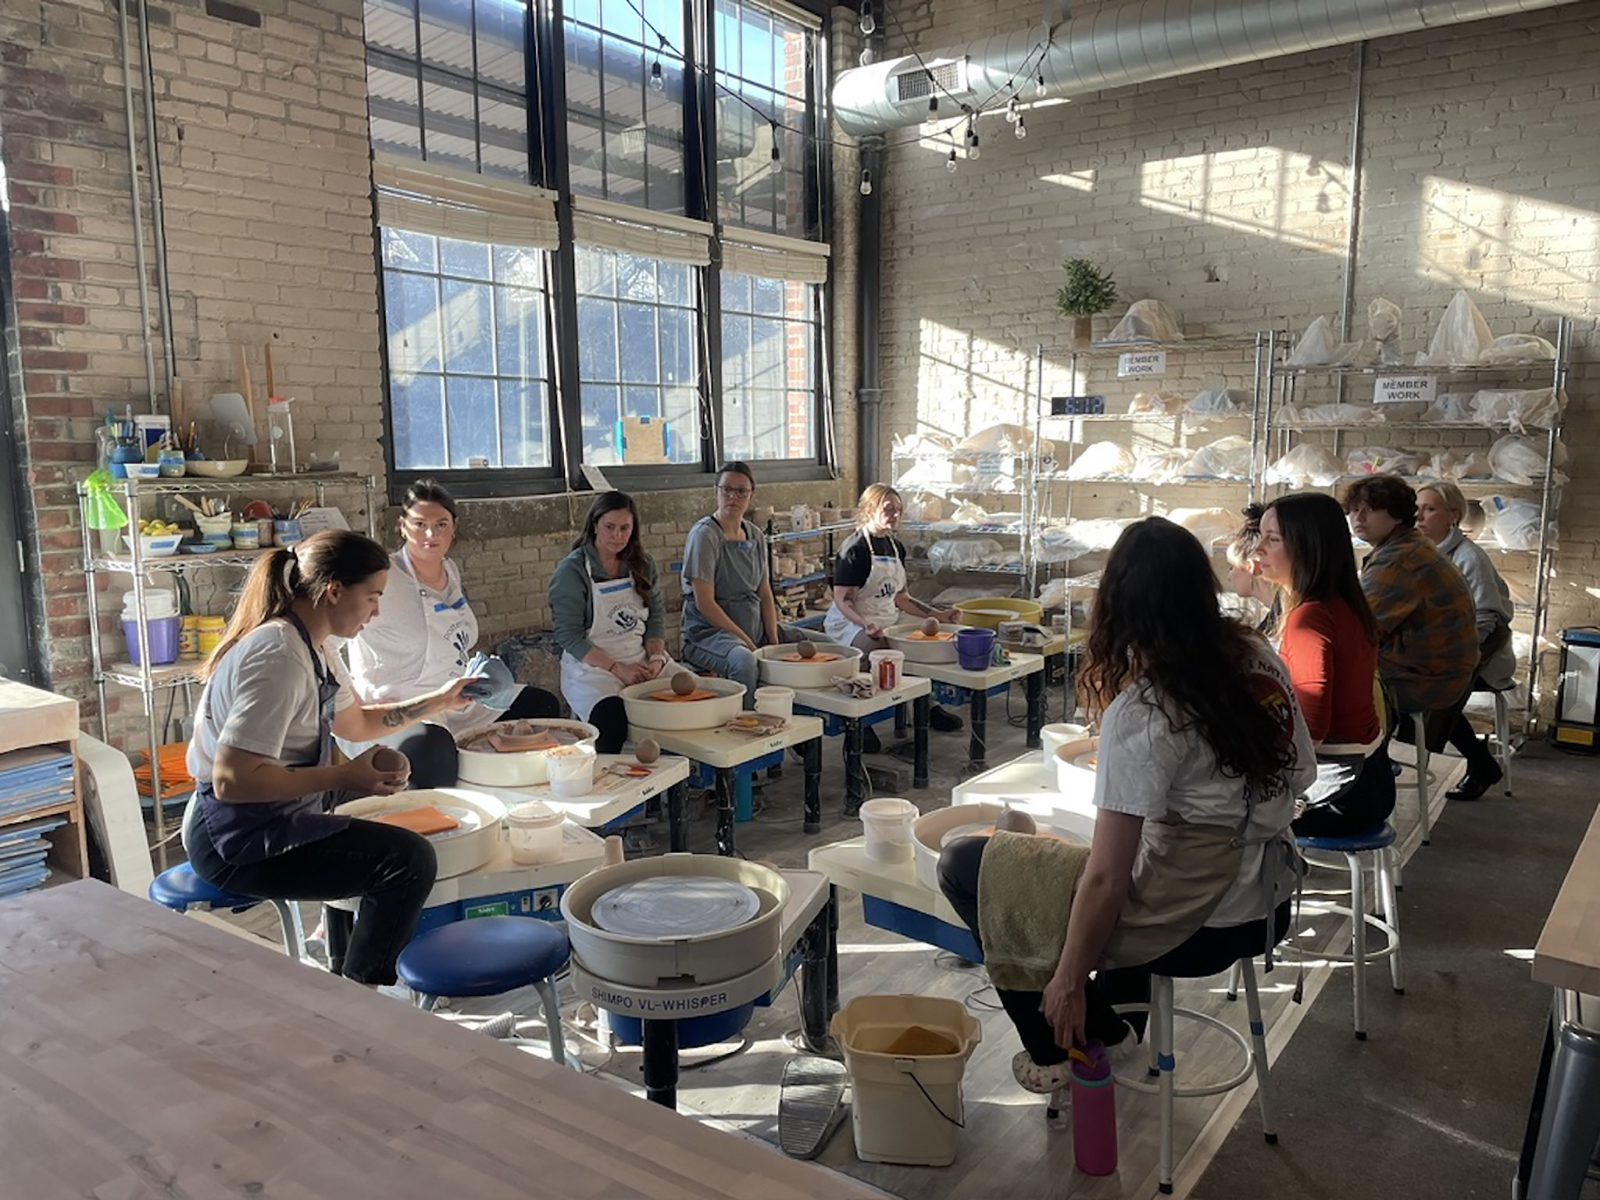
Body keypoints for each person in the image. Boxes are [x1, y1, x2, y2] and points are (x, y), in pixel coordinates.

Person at [938, 518, 1314, 1094]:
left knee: (969, 864)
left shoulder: (1146, 711)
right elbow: (1303, 771)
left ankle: (1069, 1044)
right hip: (1269, 898)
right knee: (1101, 861)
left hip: (1196, 924)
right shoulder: (1256, 652)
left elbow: (1109, 881)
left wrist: (1065, 979)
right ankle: (1123, 1028)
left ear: (1118, 605)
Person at [183, 531, 479, 987]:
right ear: (334, 590)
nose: (376, 611)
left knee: (382, 811)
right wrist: (344, 773)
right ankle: (360, 993)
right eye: (373, 597)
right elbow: (233, 780)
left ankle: (342, 962)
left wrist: (440, 700)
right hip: (232, 834)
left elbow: (355, 724)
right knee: (408, 860)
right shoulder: (278, 654)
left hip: (265, 807)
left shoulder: (316, 643)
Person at [342, 479, 561, 787]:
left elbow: (453, 641)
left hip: (457, 698)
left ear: (453, 529)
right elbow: (328, 639)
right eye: (419, 524)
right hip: (407, 705)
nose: (431, 534)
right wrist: (354, 701)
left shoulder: (450, 571)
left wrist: (482, 676)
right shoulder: (383, 576)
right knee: (435, 751)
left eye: (440, 524)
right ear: (402, 527)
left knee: (541, 706)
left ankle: (512, 795)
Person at [1254, 493, 1396, 836]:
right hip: (1371, 778)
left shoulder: (1310, 618)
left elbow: (1309, 732)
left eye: (1272, 540)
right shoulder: (1343, 601)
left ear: (1307, 546)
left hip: (1341, 793)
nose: (1259, 549)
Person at [823, 483, 965, 751]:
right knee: (873, 650)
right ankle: (861, 723)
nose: (895, 515)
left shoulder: (895, 546)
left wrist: (939, 615)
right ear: (869, 510)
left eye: (899, 510)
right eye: (888, 509)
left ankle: (928, 705)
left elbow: (901, 598)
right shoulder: (854, 549)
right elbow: (842, 600)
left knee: (924, 642)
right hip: (852, 620)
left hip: (888, 615)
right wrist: (866, 624)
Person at [1343, 474, 1478, 747]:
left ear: (1397, 514)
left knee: (1327, 680)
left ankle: (1364, 767)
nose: (1359, 517)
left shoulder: (1398, 560)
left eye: (1370, 509)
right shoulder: (1407, 545)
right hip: (1444, 673)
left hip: (1426, 680)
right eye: (1355, 509)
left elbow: (1357, 631)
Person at [549, 491, 676, 752]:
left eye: (624, 528)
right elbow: (569, 636)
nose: (617, 536)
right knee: (612, 717)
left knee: (690, 698)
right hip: (592, 669)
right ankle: (614, 781)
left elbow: (656, 617)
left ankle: (678, 781)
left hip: (641, 658)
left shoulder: (642, 563)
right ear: (594, 525)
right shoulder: (572, 572)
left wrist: (655, 658)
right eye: (609, 527)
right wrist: (617, 668)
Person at [1416, 481, 1515, 800]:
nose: (1419, 516)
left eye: (1429, 509)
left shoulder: (1469, 557)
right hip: (1443, 642)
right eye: (1416, 509)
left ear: (1453, 516)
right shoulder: (1420, 552)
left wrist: (1453, 656)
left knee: (1432, 691)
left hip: (1482, 644)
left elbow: (1486, 616)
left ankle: (1480, 762)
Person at [678, 461, 795, 706]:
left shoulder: (755, 535)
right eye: (727, 490)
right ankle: (750, 728)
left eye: (741, 491)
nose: (733, 497)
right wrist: (749, 644)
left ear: (751, 495)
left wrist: (773, 642)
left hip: (753, 626)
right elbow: (705, 604)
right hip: (709, 634)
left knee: (824, 646)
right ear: (716, 491)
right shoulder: (705, 535)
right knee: (744, 661)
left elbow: (764, 594)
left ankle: (801, 725)